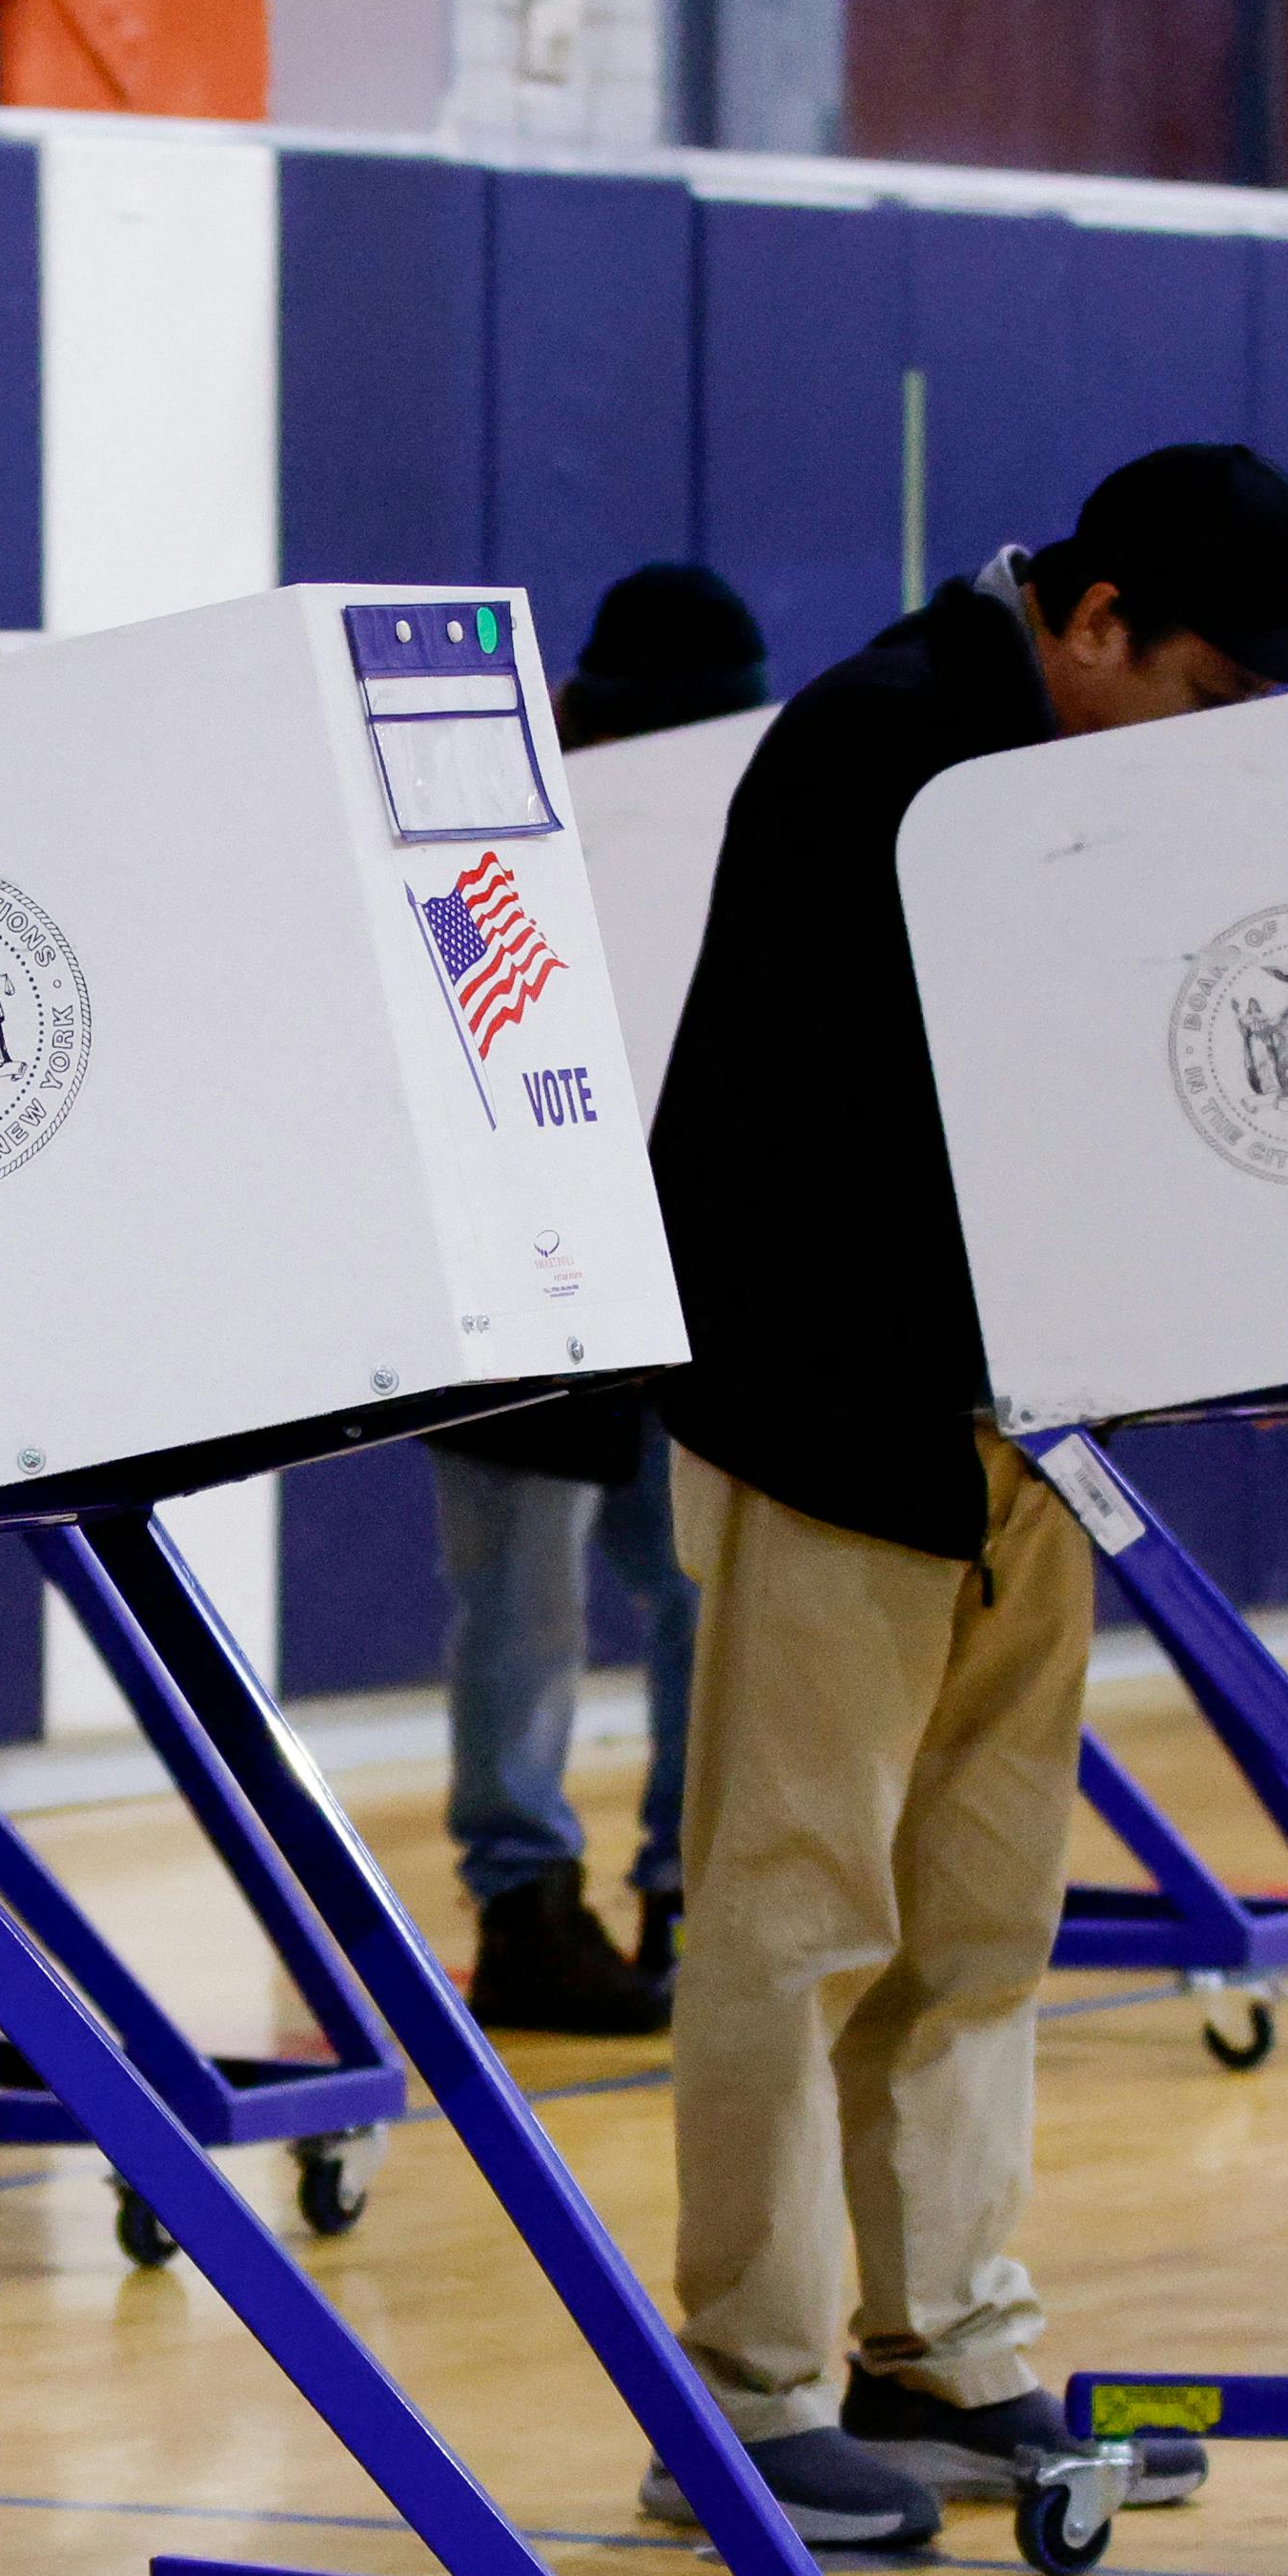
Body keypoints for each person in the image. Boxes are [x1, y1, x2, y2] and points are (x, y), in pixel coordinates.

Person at [637, 446, 1288, 2551]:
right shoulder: (879, 747)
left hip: (1020, 1425)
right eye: (1208, 689)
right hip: (835, 1419)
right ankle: (742, 2396)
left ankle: (946, 2347)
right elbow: (846, 1134)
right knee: (790, 1919)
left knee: (977, 1915)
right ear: (1091, 619)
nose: (1225, 742)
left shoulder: (1089, 772)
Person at [441, 565, 766, 2039]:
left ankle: (677, 1891)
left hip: (672, 1258)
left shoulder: (738, 822)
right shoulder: (475, 830)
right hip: (517, 1265)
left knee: (684, 1586)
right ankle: (528, 1905)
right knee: (530, 1605)